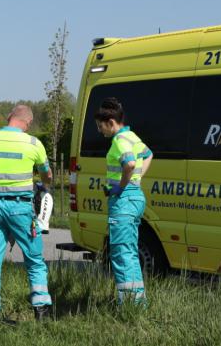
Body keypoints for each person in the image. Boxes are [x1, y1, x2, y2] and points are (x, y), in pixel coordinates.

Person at [0, 105, 53, 325]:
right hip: (21, 208)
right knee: (34, 259)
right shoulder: (34, 144)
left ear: (9, 118)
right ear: (28, 123)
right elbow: (47, 176)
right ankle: (42, 312)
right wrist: (43, 181)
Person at [94, 97, 153, 306]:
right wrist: (137, 179)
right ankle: (137, 302)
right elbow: (148, 155)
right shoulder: (132, 136)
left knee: (120, 253)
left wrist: (121, 186)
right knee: (130, 251)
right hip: (136, 198)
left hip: (124, 201)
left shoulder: (119, 140)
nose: (100, 131)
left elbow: (128, 164)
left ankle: (126, 304)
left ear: (111, 123)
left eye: (101, 127)